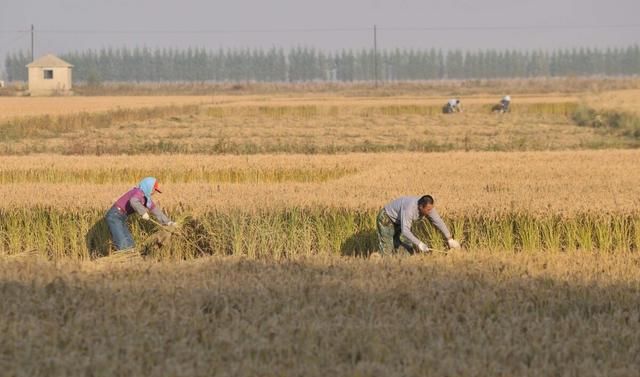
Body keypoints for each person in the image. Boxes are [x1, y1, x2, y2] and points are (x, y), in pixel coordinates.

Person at [105, 177, 174, 252]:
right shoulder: (138, 192)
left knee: (130, 243)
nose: (154, 192)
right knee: (123, 244)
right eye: (154, 189)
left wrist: (168, 222)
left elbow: (155, 210)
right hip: (114, 216)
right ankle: (123, 261)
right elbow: (133, 201)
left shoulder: (146, 199)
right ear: (148, 187)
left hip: (121, 217)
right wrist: (143, 212)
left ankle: (131, 260)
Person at [375, 195, 460, 256]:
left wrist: (449, 239)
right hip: (386, 219)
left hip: (399, 222)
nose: (430, 212)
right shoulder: (409, 208)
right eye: (428, 210)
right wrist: (419, 244)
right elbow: (405, 230)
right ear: (420, 207)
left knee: (408, 247)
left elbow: (438, 221)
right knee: (387, 248)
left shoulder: (429, 207)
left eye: (431, 209)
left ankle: (401, 270)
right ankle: (379, 265)